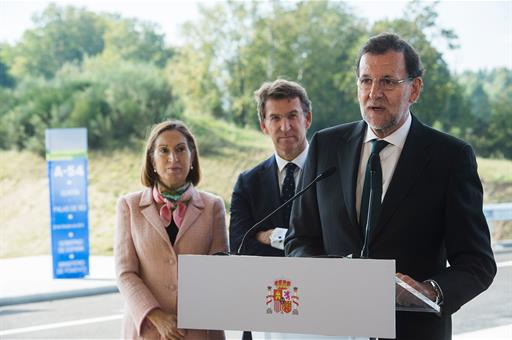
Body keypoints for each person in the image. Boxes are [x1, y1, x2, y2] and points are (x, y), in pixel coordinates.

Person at [285, 33, 496, 340]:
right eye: (366, 80)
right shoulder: (325, 146)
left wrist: (430, 291)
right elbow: (299, 240)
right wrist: (329, 274)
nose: (374, 93)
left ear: (415, 89)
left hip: (413, 331)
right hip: (332, 329)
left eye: (388, 82)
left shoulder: (449, 157)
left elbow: (477, 263)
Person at [115, 120, 228, 340]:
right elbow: (125, 273)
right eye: (164, 150)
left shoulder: (213, 206)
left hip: (199, 332)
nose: (173, 159)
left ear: (192, 157)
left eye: (180, 150)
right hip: (147, 330)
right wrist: (157, 317)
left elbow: (217, 272)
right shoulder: (129, 206)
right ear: (152, 160)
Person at [230, 79, 312, 256]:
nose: (285, 127)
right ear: (264, 126)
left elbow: (335, 240)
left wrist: (273, 236)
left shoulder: (333, 172)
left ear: (307, 119)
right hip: (266, 283)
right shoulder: (247, 183)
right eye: (275, 118)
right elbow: (238, 246)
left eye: (292, 116)